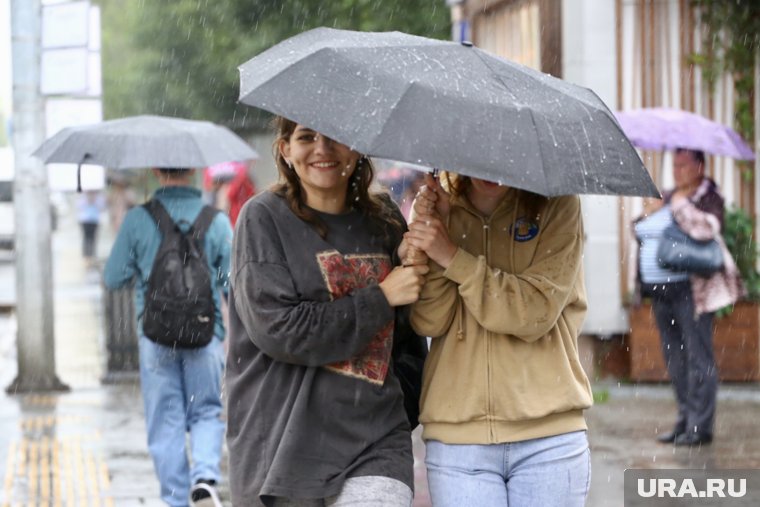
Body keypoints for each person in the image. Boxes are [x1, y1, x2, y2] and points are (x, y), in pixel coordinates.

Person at [225, 117, 428, 507]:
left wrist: (423, 257)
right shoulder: (263, 218)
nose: (322, 148)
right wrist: (380, 297)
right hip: (285, 446)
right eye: (306, 137)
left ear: (356, 147)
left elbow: (407, 335)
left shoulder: (384, 219)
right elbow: (280, 330)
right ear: (285, 149)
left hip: (375, 440)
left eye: (335, 136)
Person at [404, 172, 592, 506]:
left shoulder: (558, 205)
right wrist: (430, 233)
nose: (489, 172)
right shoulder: (443, 209)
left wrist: (451, 256)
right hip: (459, 439)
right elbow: (430, 320)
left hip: (548, 438)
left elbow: (533, 312)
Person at [104, 168, 232, 507]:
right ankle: (203, 479)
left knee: (166, 419)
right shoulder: (216, 220)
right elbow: (234, 283)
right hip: (206, 333)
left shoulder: (137, 219)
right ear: (193, 171)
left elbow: (114, 276)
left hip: (155, 336)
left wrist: (142, 264)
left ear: (157, 171)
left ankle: (175, 500)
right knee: (206, 410)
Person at [634, 148, 744, 446]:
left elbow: (708, 230)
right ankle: (684, 421)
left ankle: (700, 426)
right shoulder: (667, 196)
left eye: (683, 165)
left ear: (699, 166)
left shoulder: (709, 196)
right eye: (675, 164)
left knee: (698, 357)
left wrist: (681, 206)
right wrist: (649, 211)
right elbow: (644, 232)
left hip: (692, 291)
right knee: (675, 358)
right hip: (661, 292)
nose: (677, 170)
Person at [76, 190, 106, 264]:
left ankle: (92, 255)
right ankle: (86, 256)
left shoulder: (99, 197)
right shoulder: (83, 196)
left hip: (94, 220)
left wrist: (94, 200)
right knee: (86, 238)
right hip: (85, 220)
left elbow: (102, 207)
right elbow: (79, 206)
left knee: (93, 238)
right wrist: (87, 200)